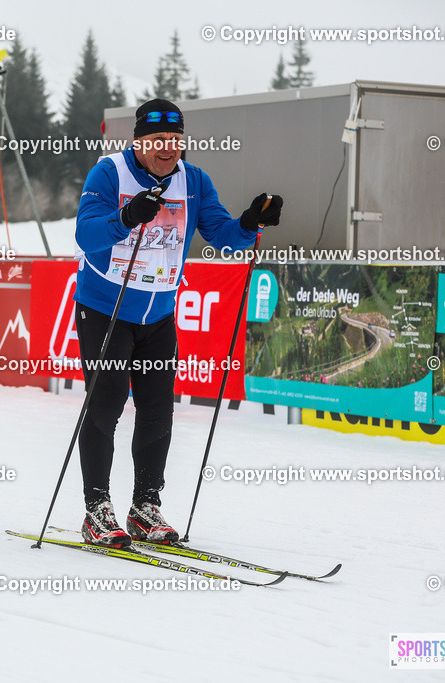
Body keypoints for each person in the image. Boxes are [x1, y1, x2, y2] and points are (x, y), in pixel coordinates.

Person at [74, 98, 282, 547]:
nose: (167, 149)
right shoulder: (110, 173)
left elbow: (223, 236)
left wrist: (250, 221)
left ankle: (145, 507)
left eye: (175, 140)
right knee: (106, 406)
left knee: (157, 410)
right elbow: (86, 236)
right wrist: (126, 218)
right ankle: (97, 509)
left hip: (158, 315)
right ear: (138, 141)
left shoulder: (194, 181)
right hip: (106, 311)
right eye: (156, 141)